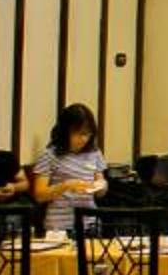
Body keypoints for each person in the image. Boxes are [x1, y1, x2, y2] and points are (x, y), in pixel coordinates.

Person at [28, 102, 109, 237]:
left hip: (90, 222)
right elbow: (39, 195)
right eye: (78, 133)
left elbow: (100, 191)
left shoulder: (94, 153)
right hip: (59, 226)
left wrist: (101, 186)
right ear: (65, 131)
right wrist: (66, 185)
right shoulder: (50, 155)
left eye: (87, 134)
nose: (83, 139)